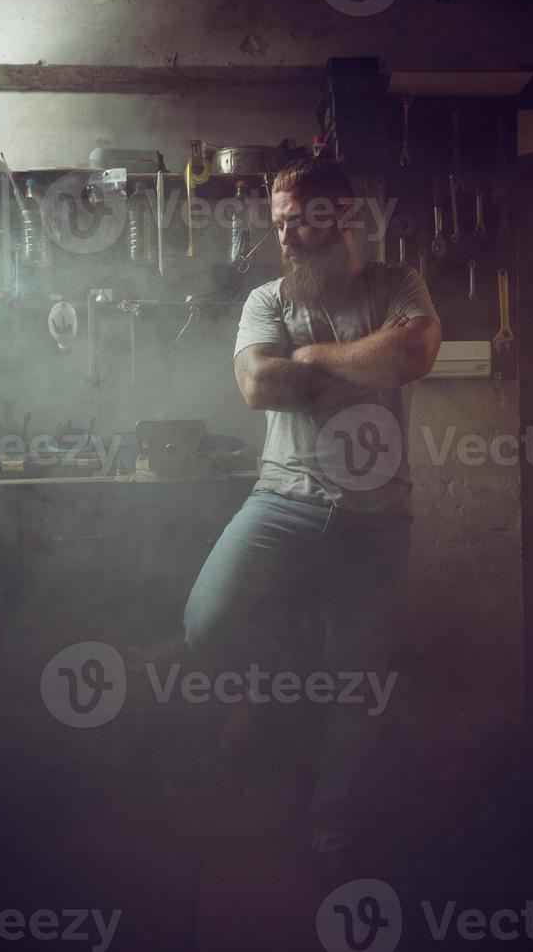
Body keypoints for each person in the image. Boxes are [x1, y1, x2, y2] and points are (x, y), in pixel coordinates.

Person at [184, 158, 441, 884]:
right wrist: (366, 362)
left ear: (342, 219)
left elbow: (415, 351)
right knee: (208, 622)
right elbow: (259, 384)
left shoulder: (396, 284)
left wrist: (315, 356)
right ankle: (271, 708)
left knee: (358, 679)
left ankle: (331, 822)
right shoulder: (267, 298)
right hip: (284, 500)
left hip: (377, 514)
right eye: (278, 224)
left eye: (298, 220)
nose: (286, 237)